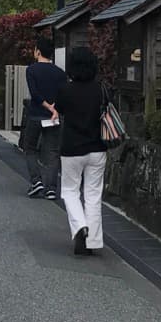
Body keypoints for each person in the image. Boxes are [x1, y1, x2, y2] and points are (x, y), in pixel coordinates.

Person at [44, 46, 107, 256]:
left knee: (70, 190)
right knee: (93, 194)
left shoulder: (66, 90)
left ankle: (80, 226)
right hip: (98, 148)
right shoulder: (101, 89)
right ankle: (93, 240)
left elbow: (59, 110)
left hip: (72, 148)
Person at [20, 37, 65, 200]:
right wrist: (55, 108)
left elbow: (35, 94)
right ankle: (51, 189)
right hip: (53, 117)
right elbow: (62, 94)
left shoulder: (31, 70)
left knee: (30, 148)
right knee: (52, 152)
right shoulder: (60, 72)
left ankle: (36, 181)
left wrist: (47, 106)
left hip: (35, 115)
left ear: (38, 51)